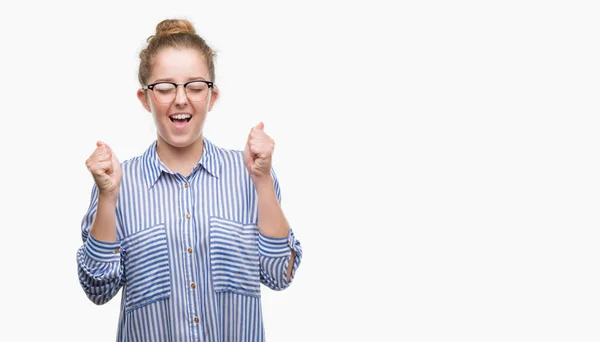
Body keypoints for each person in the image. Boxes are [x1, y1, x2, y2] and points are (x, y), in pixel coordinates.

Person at [76, 18, 302, 342]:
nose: (181, 99)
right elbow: (98, 288)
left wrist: (263, 180)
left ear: (212, 96)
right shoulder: (115, 183)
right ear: (145, 98)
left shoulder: (250, 174)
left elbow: (280, 273)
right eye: (166, 87)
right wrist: (108, 197)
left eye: (195, 86)